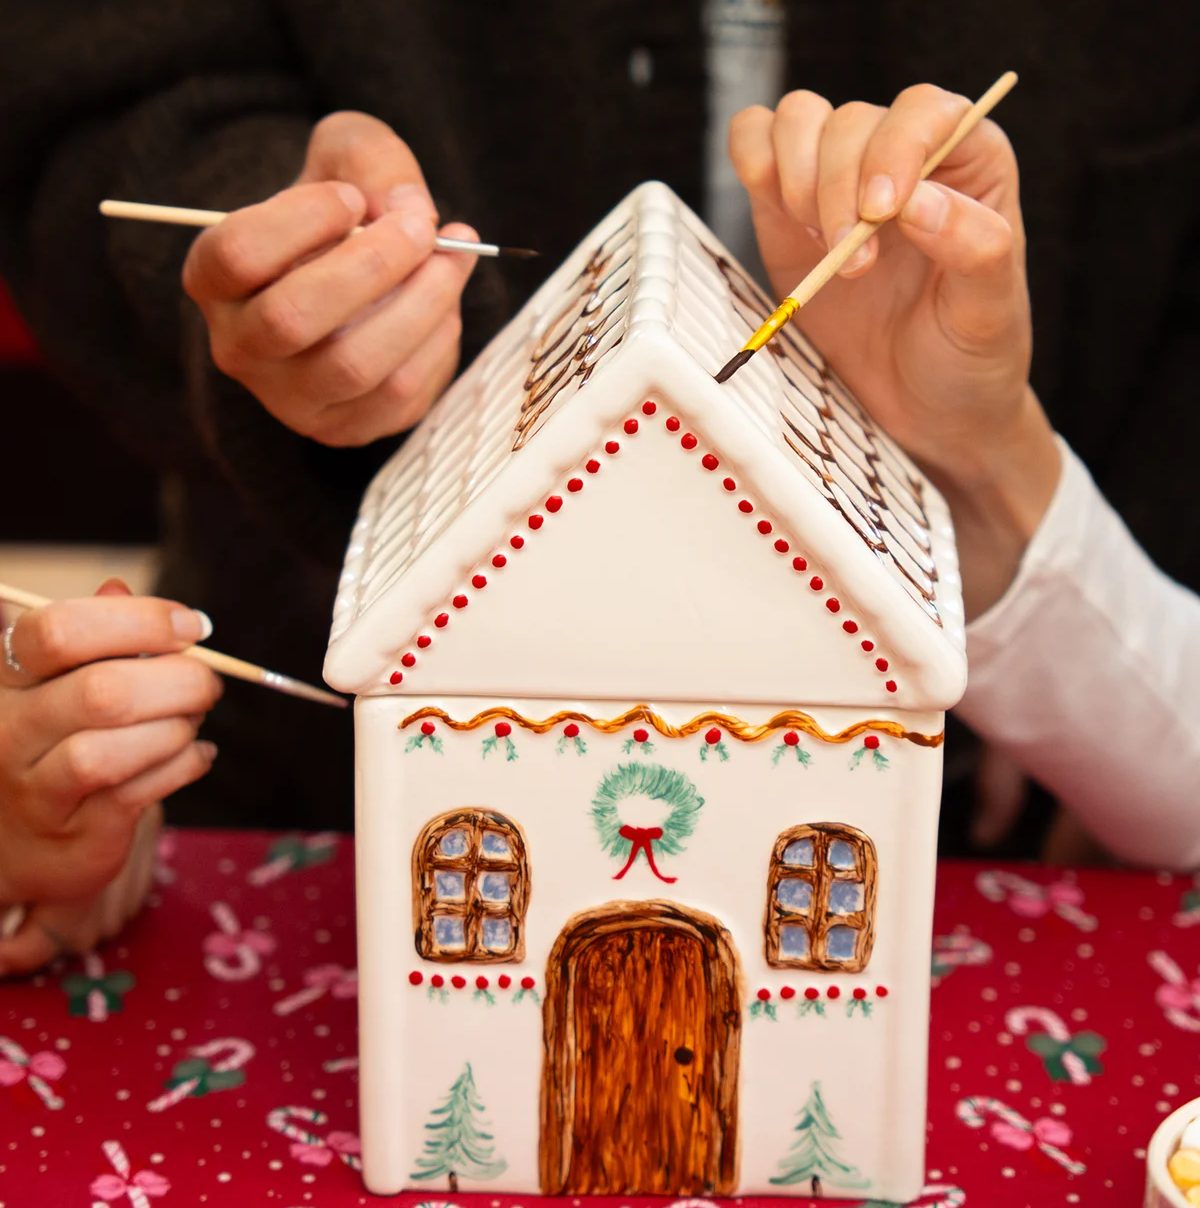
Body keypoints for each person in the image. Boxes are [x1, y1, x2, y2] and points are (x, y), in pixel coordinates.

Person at [1, 5, 1197, 973]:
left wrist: (999, 502)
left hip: (1005, 827)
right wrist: (284, 248)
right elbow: (103, 98)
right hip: (292, 809)